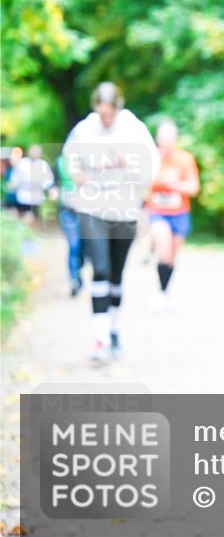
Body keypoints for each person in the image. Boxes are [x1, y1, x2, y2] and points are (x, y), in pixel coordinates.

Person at [62, 82, 158, 364]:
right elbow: (69, 160)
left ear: (118, 107)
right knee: (100, 269)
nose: (105, 119)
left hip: (124, 209)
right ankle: (100, 338)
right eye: (101, 113)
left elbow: (150, 171)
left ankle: (113, 328)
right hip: (92, 207)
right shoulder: (84, 130)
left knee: (116, 274)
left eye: (110, 114)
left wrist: (126, 163)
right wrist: (78, 176)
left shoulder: (134, 129)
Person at [146, 119, 200, 310]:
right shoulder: (152, 159)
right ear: (158, 138)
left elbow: (194, 187)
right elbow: (142, 185)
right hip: (158, 212)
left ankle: (164, 291)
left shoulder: (185, 159)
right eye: (163, 137)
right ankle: (160, 293)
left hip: (180, 213)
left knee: (171, 257)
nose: (166, 141)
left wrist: (175, 185)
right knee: (164, 248)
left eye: (170, 137)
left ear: (175, 138)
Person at [53, 154, 86, 296]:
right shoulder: (60, 162)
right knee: (74, 245)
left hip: (86, 211)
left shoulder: (89, 160)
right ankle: (74, 280)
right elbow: (53, 182)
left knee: (84, 246)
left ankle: (78, 272)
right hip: (68, 210)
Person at [8, 144, 54, 226]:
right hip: (23, 196)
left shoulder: (43, 164)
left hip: (36, 197)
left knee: (31, 218)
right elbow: (15, 178)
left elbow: (48, 180)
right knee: (24, 217)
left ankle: (28, 233)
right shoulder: (22, 163)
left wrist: (51, 190)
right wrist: (13, 186)